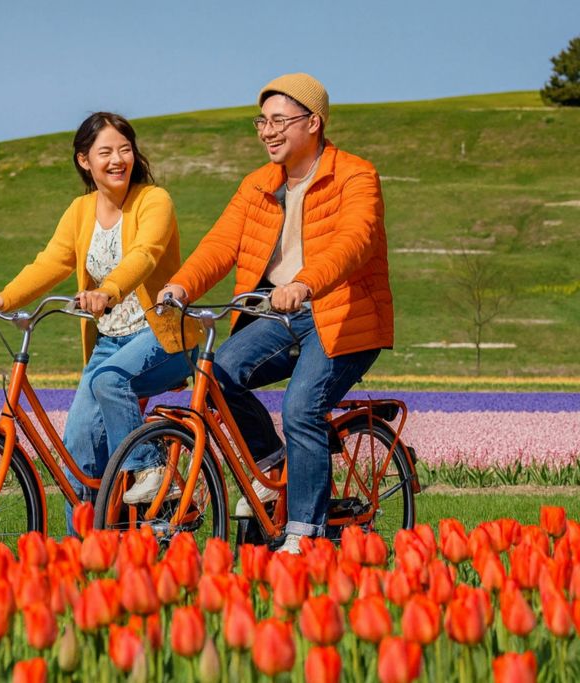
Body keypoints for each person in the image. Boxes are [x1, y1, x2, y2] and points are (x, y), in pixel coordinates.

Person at [158, 73, 393, 554]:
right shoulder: (258, 185)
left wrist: (305, 282)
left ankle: (304, 534)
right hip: (280, 313)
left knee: (301, 407)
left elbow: (355, 239)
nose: (267, 131)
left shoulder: (355, 175)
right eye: (262, 121)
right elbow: (221, 244)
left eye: (279, 121)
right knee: (217, 374)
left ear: (314, 122)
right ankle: (272, 466)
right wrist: (181, 285)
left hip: (342, 313)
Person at [0, 112, 202, 535]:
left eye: (125, 149)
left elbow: (146, 254)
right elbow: (50, 262)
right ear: (84, 160)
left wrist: (109, 290)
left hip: (162, 337)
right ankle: (84, 552)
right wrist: (2, 299)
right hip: (110, 343)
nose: (118, 160)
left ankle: (150, 469)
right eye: (106, 152)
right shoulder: (81, 211)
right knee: (77, 453)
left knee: (110, 381)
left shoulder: (154, 200)